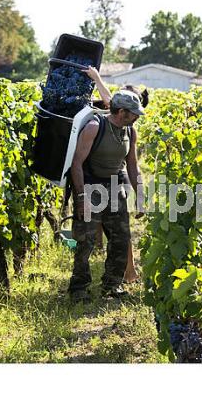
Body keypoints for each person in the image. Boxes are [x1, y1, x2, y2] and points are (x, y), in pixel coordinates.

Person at [67, 85, 145, 302]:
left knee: (121, 238)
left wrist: (140, 197)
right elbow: (76, 164)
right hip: (90, 186)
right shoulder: (94, 127)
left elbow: (132, 165)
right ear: (121, 113)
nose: (137, 118)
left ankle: (112, 285)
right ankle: (79, 288)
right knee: (86, 241)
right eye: (134, 114)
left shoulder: (130, 131)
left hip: (114, 187)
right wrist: (81, 198)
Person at [85, 66, 148, 284]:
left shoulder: (130, 125)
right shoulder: (115, 116)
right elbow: (109, 101)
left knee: (122, 229)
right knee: (110, 228)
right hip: (103, 178)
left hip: (119, 175)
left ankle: (127, 272)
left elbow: (133, 164)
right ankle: (122, 271)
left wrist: (140, 196)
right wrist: (97, 78)